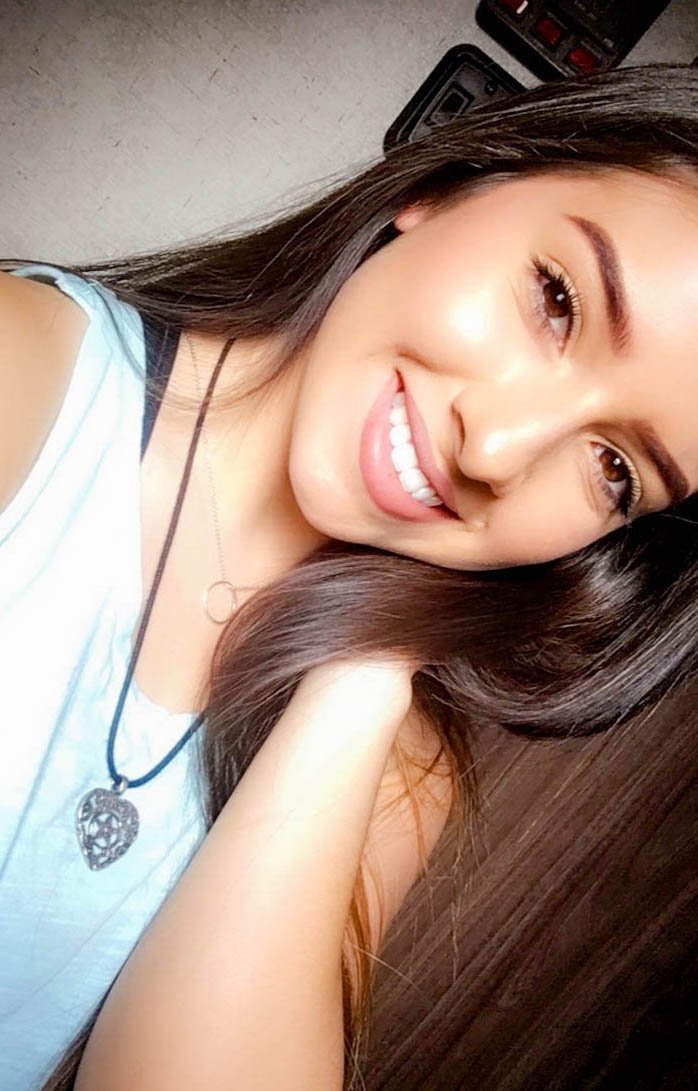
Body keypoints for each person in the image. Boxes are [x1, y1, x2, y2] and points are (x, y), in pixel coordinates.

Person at [1, 61, 696, 1091]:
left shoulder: (400, 765)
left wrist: (369, 667)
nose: (497, 448)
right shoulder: (23, 373)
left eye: (613, 468)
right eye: (556, 300)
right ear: (449, 185)